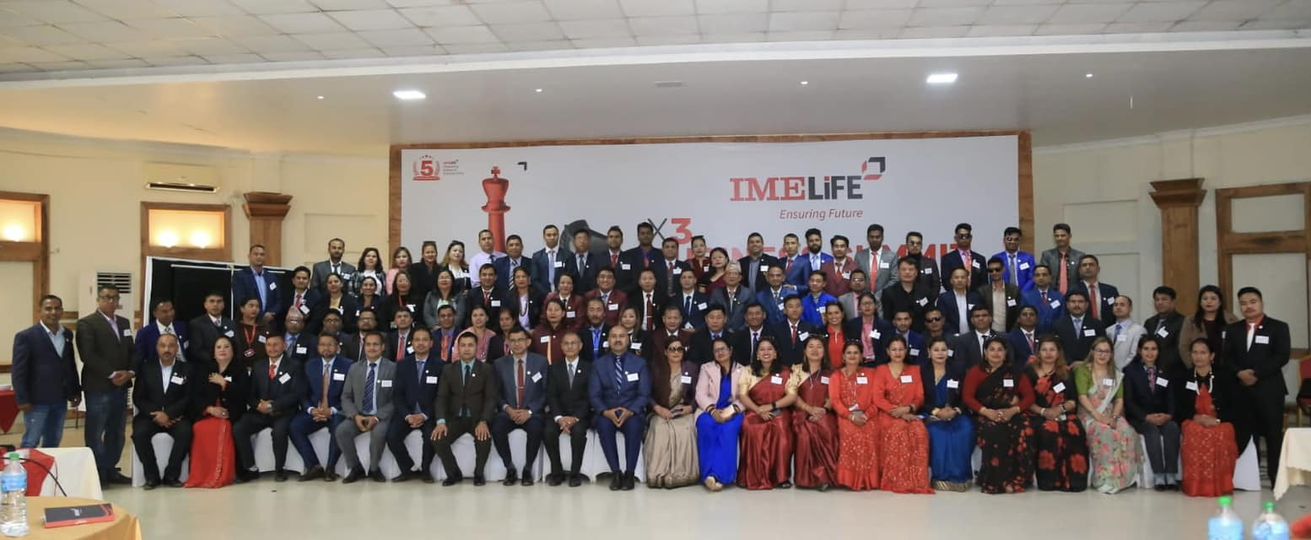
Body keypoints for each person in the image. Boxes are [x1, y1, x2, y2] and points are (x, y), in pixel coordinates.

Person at [1223, 286, 1291, 482]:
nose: (1248, 307)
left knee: (1272, 434)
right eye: (1243, 304)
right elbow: (1226, 358)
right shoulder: (1233, 329)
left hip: (1269, 389)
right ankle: (1248, 478)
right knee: (1244, 433)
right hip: (1241, 390)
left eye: (1253, 302)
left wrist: (1256, 374)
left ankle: (1275, 476)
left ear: (1261, 303)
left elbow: (1282, 356)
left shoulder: (1278, 327)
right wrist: (1239, 373)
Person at [76, 285, 135, 487]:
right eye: (106, 297)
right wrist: (112, 374)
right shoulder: (87, 323)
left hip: (121, 387)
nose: (111, 301)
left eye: (114, 298)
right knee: (95, 432)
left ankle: (111, 469)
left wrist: (129, 372)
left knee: (117, 432)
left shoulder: (124, 322)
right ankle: (97, 473)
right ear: (98, 299)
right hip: (98, 387)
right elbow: (88, 355)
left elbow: (131, 350)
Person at [963, 336, 1035, 494]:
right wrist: (987, 412)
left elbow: (1029, 397)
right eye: (992, 350)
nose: (996, 353)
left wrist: (1013, 411)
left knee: (1024, 429)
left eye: (1000, 350)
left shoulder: (1015, 372)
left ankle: (1018, 479)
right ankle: (994, 480)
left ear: (1005, 353)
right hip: (985, 414)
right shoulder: (976, 372)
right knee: (994, 431)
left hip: (1012, 413)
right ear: (985, 353)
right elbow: (967, 397)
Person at [1178, 338, 1245, 497]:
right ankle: (1195, 484)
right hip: (1194, 419)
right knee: (1195, 431)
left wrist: (1217, 419)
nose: (1198, 356)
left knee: (1221, 433)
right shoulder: (1183, 377)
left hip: (1220, 420)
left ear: (1212, 356)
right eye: (1195, 352)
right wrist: (1196, 417)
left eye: (1203, 352)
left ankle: (1219, 484)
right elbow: (1179, 408)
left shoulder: (1225, 376)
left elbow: (1236, 407)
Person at [1075, 337, 1142, 494]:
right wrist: (1098, 417)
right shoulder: (1083, 371)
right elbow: (1082, 397)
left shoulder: (1115, 374)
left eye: (1106, 351)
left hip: (1111, 414)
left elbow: (1119, 400)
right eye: (1099, 351)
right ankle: (1104, 479)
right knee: (1104, 433)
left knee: (1126, 432)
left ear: (1111, 354)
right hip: (1089, 413)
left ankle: (1124, 479)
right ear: (1092, 352)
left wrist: (1114, 418)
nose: (1102, 355)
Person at [12, 294, 80, 449]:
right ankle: (27, 466)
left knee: (53, 441)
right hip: (36, 402)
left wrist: (75, 391)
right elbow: (19, 371)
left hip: (60, 399)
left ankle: (48, 465)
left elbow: (70, 365)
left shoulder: (67, 334)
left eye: (57, 308)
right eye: (48, 309)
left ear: (62, 311)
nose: (53, 312)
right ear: (40, 311)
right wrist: (22, 399)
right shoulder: (26, 336)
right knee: (31, 442)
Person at [233, 334, 304, 483]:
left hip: (283, 412)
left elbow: (296, 393)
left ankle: (279, 469)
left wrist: (273, 405)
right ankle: (250, 467)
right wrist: (258, 405)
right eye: (269, 345)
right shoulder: (258, 365)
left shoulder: (294, 365)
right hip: (260, 412)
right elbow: (250, 393)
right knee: (239, 428)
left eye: (276, 344)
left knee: (279, 432)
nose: (272, 348)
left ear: (284, 346)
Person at [589, 327, 651, 490]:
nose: (618, 339)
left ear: (628, 340)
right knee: (603, 426)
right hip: (607, 412)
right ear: (608, 340)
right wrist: (606, 412)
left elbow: (644, 394)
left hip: (632, 411)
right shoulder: (598, 365)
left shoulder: (640, 363)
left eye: (622, 336)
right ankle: (616, 473)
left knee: (635, 426)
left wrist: (630, 411)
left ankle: (629, 473)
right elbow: (594, 395)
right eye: (614, 336)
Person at [432, 331, 498, 486]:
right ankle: (453, 473)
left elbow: (491, 398)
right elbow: (441, 397)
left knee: (484, 439)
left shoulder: (486, 369)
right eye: (463, 345)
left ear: (477, 348)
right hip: (455, 418)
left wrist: (484, 421)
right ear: (457, 348)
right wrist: (441, 421)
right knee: (438, 439)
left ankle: (479, 473)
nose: (466, 349)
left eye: (470, 345)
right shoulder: (448, 370)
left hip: (478, 418)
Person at [1024, 336, 1088, 492]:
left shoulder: (1066, 372)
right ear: (1038, 353)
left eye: (1052, 350)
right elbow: (1026, 400)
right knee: (1049, 431)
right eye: (1044, 350)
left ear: (1058, 353)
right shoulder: (1029, 372)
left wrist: (1060, 409)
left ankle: (1074, 481)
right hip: (1038, 414)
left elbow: (1073, 400)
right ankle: (1049, 481)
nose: (1048, 353)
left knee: (1074, 430)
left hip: (1063, 412)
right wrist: (1044, 411)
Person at [131, 334, 194, 489]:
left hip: (177, 416)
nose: (167, 349)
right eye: (163, 345)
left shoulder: (187, 369)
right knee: (139, 434)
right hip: (150, 416)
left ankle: (171, 475)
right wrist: (157, 414)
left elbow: (189, 397)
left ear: (177, 348)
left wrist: (169, 414)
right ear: (157, 348)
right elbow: (138, 397)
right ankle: (151, 477)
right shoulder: (146, 368)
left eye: (171, 345)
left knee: (186, 433)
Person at [871, 336, 932, 493]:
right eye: (894, 349)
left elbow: (919, 396)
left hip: (909, 412)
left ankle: (917, 480)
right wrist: (897, 412)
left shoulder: (914, 370)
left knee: (919, 431)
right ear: (888, 351)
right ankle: (896, 479)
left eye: (900, 349)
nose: (897, 353)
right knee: (899, 431)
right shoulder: (881, 370)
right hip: (888, 414)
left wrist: (909, 409)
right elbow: (878, 398)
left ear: (906, 351)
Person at [186, 335, 248, 489]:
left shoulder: (240, 369)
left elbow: (244, 394)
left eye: (226, 347)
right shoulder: (204, 370)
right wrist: (209, 409)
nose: (222, 350)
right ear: (213, 352)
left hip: (231, 413)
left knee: (224, 428)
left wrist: (225, 384)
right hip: (208, 413)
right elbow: (195, 395)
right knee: (199, 428)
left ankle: (222, 473)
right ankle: (202, 474)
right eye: (218, 347)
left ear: (233, 351)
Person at [491, 328, 549, 486]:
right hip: (508, 412)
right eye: (513, 341)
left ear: (528, 342)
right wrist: (507, 409)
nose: (517, 344)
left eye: (520, 340)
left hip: (532, 412)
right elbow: (496, 393)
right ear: (508, 343)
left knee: (536, 429)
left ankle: (528, 469)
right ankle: (509, 468)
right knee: (497, 428)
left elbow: (546, 392)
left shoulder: (541, 362)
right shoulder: (499, 364)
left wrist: (529, 411)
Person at [336, 332, 397, 483]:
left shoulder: (393, 368)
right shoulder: (354, 368)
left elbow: (396, 399)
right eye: (368, 344)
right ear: (364, 347)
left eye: (376, 344)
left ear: (382, 347)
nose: (372, 348)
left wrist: (377, 417)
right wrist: (355, 416)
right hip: (359, 414)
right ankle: (355, 467)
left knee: (378, 434)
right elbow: (345, 396)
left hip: (381, 415)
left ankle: (374, 469)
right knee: (342, 431)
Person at [290, 334, 351, 482]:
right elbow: (303, 394)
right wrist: (311, 409)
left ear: (337, 348)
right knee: (294, 427)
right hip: (315, 411)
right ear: (318, 347)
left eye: (330, 344)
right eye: (322, 344)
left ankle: (330, 468)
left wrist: (332, 410)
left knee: (339, 428)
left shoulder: (349, 365)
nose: (326, 348)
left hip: (337, 411)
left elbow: (350, 395)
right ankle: (314, 466)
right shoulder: (310, 365)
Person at [736, 338, 795, 490]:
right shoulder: (748, 371)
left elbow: (792, 396)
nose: (766, 352)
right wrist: (758, 410)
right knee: (750, 427)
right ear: (757, 354)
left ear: (775, 353)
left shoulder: (786, 372)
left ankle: (781, 477)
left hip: (778, 409)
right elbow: (743, 395)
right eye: (762, 349)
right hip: (754, 410)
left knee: (781, 428)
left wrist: (771, 406)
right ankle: (752, 476)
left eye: (769, 349)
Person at [1123, 336, 1180, 491]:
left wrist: (1169, 415)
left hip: (1163, 416)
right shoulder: (1130, 371)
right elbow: (1129, 401)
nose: (1150, 353)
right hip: (1140, 418)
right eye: (1146, 349)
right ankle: (1159, 475)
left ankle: (1171, 474)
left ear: (1159, 351)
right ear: (1139, 351)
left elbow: (1171, 397)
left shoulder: (1165, 370)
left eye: (1153, 349)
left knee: (1173, 428)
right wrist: (1146, 417)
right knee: (1151, 430)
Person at [644, 339, 700, 488]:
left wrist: (691, 408)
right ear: (665, 352)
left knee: (686, 429)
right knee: (659, 428)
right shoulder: (655, 368)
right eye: (672, 349)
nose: (676, 352)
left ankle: (680, 475)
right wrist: (657, 408)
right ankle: (658, 475)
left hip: (683, 410)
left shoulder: (691, 368)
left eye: (679, 349)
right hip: (660, 411)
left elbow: (698, 393)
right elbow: (646, 394)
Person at [920, 337, 973, 491]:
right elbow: (919, 398)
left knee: (965, 429)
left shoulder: (957, 370)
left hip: (955, 413)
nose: (940, 353)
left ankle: (961, 477)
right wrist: (937, 411)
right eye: (936, 350)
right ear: (929, 352)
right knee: (938, 433)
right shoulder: (922, 371)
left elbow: (966, 396)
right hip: (931, 413)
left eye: (943, 350)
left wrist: (956, 410)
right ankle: (941, 477)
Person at [389, 327, 442, 483]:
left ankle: (425, 470)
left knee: (431, 436)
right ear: (412, 343)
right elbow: (397, 395)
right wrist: (408, 416)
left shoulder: (440, 365)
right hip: (407, 413)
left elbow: (440, 397)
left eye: (424, 340)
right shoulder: (402, 365)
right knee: (391, 436)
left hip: (429, 414)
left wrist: (424, 415)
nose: (420, 343)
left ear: (431, 343)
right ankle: (407, 469)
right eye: (417, 340)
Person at [695, 338, 746, 491]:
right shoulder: (706, 368)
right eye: (716, 350)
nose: (720, 352)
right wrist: (712, 411)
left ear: (730, 350)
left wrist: (731, 411)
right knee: (706, 426)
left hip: (734, 411)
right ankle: (708, 475)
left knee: (727, 430)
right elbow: (700, 393)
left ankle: (720, 476)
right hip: (709, 410)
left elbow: (745, 396)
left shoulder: (743, 370)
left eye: (723, 349)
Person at [788, 336, 838, 491]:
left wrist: (824, 410)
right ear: (804, 351)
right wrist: (808, 409)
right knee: (804, 434)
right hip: (801, 412)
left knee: (827, 429)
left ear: (824, 351)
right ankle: (806, 479)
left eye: (819, 347)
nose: (815, 350)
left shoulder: (832, 373)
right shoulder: (796, 370)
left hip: (824, 413)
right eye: (811, 346)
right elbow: (792, 394)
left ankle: (826, 477)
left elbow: (834, 396)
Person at [830, 341, 880, 490]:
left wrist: (866, 415)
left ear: (861, 356)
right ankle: (849, 479)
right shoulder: (836, 376)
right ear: (843, 356)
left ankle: (868, 479)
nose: (852, 356)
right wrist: (851, 416)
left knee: (869, 432)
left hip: (868, 416)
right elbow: (835, 401)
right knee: (852, 433)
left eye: (856, 353)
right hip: (845, 416)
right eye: (849, 353)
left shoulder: (871, 374)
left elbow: (876, 400)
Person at [544, 332, 592, 487]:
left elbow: (589, 396)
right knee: (548, 432)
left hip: (580, 416)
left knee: (578, 433)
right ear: (561, 346)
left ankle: (575, 473)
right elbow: (551, 395)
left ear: (580, 346)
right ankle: (556, 472)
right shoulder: (554, 368)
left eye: (573, 343)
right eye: (566, 343)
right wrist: (559, 418)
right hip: (559, 414)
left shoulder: (589, 368)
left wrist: (575, 417)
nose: (570, 346)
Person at [1178, 285, 1238, 367]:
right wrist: (1193, 366)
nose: (1208, 302)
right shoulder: (1191, 320)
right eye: (1205, 299)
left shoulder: (1231, 319)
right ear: (1200, 302)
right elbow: (1184, 347)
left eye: (1213, 298)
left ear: (1220, 302)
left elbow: (1237, 346)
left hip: (1226, 368)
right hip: (1199, 368)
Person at [881, 257, 935, 332]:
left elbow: (929, 315)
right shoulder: (888, 292)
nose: (907, 272)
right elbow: (887, 319)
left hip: (921, 333)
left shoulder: (926, 292)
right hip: (896, 334)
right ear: (898, 272)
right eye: (903, 269)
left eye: (911, 269)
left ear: (916, 273)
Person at [233, 244, 282, 326]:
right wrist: (260, 315)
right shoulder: (240, 276)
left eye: (262, 254)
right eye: (256, 254)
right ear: (249, 256)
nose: (259, 257)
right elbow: (239, 299)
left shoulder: (272, 277)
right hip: (248, 322)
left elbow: (279, 300)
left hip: (269, 322)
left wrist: (272, 313)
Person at [1052, 291, 1105, 361]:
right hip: (1065, 365)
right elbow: (1056, 348)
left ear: (1087, 305)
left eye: (1080, 302)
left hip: (1090, 364)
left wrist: (1086, 363)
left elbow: (1101, 347)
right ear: (1067, 305)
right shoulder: (1058, 325)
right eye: (1073, 302)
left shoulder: (1097, 325)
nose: (1077, 305)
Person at [1143, 286, 1186, 372]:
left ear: (1173, 301)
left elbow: (1180, 349)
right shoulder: (1149, 322)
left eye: (1164, 299)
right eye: (1157, 299)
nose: (1160, 302)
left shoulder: (1183, 322)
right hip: (1151, 368)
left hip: (1173, 370)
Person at [845, 294, 895, 367]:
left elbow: (887, 347)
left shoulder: (885, 326)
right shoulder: (852, 325)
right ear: (859, 307)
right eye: (864, 304)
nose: (867, 306)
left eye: (870, 303)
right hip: (859, 364)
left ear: (875, 306)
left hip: (880, 364)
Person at [1070, 255, 1120, 328]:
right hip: (1083, 330)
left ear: (1098, 269)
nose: (1088, 267)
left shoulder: (1111, 291)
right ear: (1079, 270)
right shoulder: (1073, 290)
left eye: (1091, 264)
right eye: (1084, 265)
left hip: (1108, 330)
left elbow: (1118, 312)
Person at [187, 291, 235, 366]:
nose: (215, 304)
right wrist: (218, 359)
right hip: (206, 367)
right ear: (205, 305)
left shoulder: (231, 323)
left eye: (219, 301)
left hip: (230, 366)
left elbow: (236, 346)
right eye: (212, 301)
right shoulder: (196, 324)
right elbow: (197, 350)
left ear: (223, 305)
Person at [135, 299, 189, 364]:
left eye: (171, 310)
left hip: (184, 367)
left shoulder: (183, 327)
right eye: (165, 311)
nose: (170, 314)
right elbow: (140, 358)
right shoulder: (145, 333)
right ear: (155, 314)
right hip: (159, 368)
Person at [1039, 223, 1085, 295]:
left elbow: (1083, 278)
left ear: (1070, 236)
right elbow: (1043, 277)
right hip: (1052, 295)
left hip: (1074, 296)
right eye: (1057, 236)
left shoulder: (1079, 256)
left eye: (1063, 235)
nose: (1059, 238)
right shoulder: (1047, 255)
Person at [977, 257, 1020, 333]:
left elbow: (1018, 312)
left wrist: (1013, 332)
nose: (994, 272)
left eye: (997, 269)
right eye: (991, 270)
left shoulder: (1014, 290)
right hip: (989, 333)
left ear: (1003, 269)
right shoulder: (982, 291)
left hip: (1010, 333)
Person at [940, 223, 987, 291]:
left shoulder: (980, 259)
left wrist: (976, 295)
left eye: (967, 236)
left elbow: (984, 282)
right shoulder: (947, 259)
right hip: (955, 295)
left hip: (976, 296)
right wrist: (958, 294)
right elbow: (946, 281)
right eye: (961, 236)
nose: (964, 238)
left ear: (971, 238)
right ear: (955, 238)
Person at [1020, 264, 1065, 334]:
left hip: (1054, 334)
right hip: (1034, 334)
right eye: (1037, 275)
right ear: (1033, 278)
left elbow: (1062, 317)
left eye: (1044, 275)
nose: (1041, 278)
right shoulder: (1026, 297)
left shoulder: (1059, 296)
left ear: (1050, 277)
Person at [937, 268, 982, 336]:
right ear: (951, 280)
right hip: (952, 336)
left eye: (963, 277)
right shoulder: (944, 298)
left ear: (967, 280)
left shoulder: (975, 297)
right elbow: (942, 319)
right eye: (956, 277)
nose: (960, 280)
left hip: (973, 336)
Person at [950, 305, 997, 369]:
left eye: (984, 315)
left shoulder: (1002, 337)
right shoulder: (962, 340)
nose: (981, 318)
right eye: (977, 316)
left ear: (990, 318)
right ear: (972, 320)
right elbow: (960, 365)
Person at [1107, 295, 1146, 369]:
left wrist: (1122, 371)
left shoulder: (1139, 330)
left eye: (1122, 305)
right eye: (1115, 305)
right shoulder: (1108, 330)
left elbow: (1134, 355)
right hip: (1108, 371)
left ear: (1130, 308)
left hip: (1128, 372)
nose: (1118, 307)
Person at [710, 264, 753, 331]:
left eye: (735, 273)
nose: (731, 276)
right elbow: (712, 312)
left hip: (743, 331)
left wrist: (741, 330)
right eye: (728, 273)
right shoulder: (716, 293)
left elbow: (752, 314)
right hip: (721, 331)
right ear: (724, 277)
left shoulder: (748, 293)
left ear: (740, 278)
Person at [769, 297, 810, 366]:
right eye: (791, 307)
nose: (794, 310)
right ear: (785, 310)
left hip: (804, 367)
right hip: (781, 367)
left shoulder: (810, 328)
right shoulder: (776, 329)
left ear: (802, 309)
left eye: (798, 306)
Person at [857, 224, 898, 294]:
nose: (874, 239)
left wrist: (879, 295)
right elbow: (857, 278)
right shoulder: (859, 256)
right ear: (867, 238)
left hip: (885, 296)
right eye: (871, 237)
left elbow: (895, 279)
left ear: (882, 238)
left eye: (877, 237)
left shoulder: (892, 256)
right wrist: (867, 296)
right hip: (864, 297)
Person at [994, 226, 1037, 291]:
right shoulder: (997, 258)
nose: (1013, 242)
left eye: (1016, 239)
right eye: (1009, 239)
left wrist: (1022, 293)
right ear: (1004, 240)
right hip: (1003, 292)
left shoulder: (1028, 258)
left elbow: (1032, 278)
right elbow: (994, 278)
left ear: (1020, 241)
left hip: (1025, 293)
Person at [532, 224, 571, 293]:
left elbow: (570, 276)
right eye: (549, 235)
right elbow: (534, 279)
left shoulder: (568, 255)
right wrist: (547, 293)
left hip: (562, 293)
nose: (552, 237)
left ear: (558, 236)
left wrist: (558, 292)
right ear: (544, 237)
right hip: (543, 295)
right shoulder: (537, 256)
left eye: (554, 235)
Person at [232, 298, 268, 370]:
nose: (254, 309)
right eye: (251, 306)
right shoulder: (233, 327)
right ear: (242, 309)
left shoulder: (265, 328)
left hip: (260, 367)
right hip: (238, 367)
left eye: (257, 306)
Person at [566, 229, 602, 293]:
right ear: (574, 242)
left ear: (589, 241)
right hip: (573, 296)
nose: (582, 241)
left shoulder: (597, 260)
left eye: (585, 239)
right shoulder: (568, 260)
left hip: (592, 296)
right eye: (579, 238)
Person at [1008, 306, 1041, 370]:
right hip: (1019, 372)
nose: (1028, 317)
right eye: (1024, 314)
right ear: (1018, 319)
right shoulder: (1010, 338)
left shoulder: (1043, 336)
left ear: (1037, 319)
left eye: (1032, 314)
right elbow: (1010, 360)